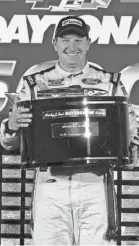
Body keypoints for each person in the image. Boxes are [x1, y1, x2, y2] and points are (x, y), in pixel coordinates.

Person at [0, 16, 139, 245]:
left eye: (78, 39)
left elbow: (131, 130)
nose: (71, 46)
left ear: (88, 43)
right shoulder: (33, 85)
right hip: (50, 183)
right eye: (65, 40)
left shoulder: (109, 83)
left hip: (95, 183)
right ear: (55, 43)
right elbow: (11, 144)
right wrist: (11, 126)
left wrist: (132, 147)